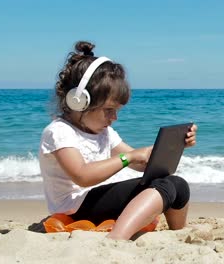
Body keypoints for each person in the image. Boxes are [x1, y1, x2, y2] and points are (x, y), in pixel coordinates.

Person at [39, 41, 197, 240]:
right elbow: (82, 176)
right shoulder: (59, 132)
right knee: (163, 186)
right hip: (74, 207)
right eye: (108, 110)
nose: (114, 118)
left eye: (116, 111)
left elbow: (141, 165)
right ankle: (116, 239)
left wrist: (175, 145)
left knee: (178, 184)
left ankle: (178, 236)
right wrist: (127, 157)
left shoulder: (104, 132)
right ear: (78, 101)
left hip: (97, 201)